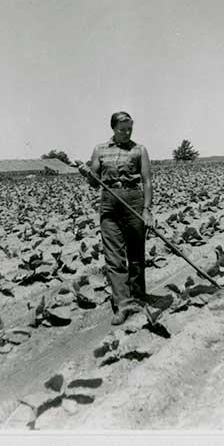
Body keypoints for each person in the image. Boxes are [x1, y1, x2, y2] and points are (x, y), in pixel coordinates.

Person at [79, 111, 154, 325]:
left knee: (136, 254)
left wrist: (147, 210)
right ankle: (123, 304)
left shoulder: (139, 149)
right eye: (122, 129)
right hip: (109, 202)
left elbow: (147, 181)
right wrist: (87, 174)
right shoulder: (100, 150)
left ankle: (139, 299)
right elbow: (94, 182)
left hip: (133, 200)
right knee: (114, 257)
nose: (127, 132)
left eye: (130, 128)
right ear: (113, 129)